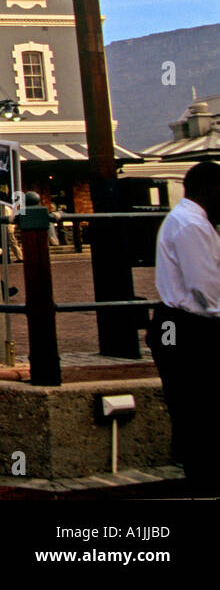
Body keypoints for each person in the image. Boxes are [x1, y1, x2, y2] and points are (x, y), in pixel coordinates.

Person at [147, 160, 220, 495]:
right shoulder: (192, 225)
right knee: (198, 407)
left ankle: (200, 475)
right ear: (211, 190)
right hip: (189, 325)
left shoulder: (186, 219)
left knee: (191, 406)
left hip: (174, 325)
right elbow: (205, 290)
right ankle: (203, 480)